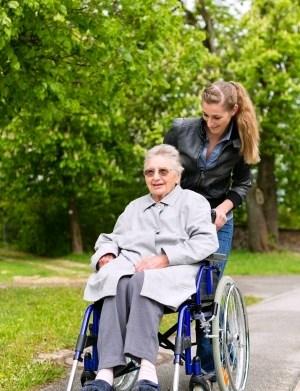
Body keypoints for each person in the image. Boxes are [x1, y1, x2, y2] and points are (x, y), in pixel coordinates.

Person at [82, 144, 218, 391]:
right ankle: (106, 371)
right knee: (117, 280)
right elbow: (110, 238)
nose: (156, 177)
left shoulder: (193, 203)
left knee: (143, 280)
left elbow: (206, 241)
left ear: (178, 175)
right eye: (149, 172)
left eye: (163, 171)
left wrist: (164, 258)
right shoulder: (134, 207)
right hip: (132, 270)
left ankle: (147, 369)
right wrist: (107, 255)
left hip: (176, 270)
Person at [164, 80, 260, 373]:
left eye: (216, 117)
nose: (210, 122)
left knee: (206, 294)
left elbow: (242, 184)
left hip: (217, 220)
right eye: (205, 115)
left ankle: (209, 365)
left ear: (233, 110)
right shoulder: (181, 129)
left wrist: (223, 208)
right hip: (179, 216)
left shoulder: (242, 138)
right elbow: (162, 168)